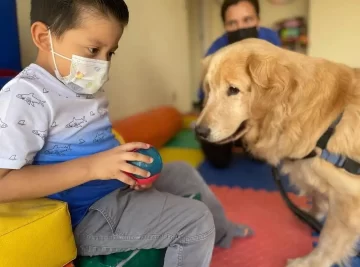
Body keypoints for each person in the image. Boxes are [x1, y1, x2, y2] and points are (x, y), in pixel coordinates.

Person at [0, 1, 253, 266]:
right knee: (195, 220)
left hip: (114, 191)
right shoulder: (24, 97)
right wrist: (93, 168)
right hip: (87, 216)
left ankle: (222, 230)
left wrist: (124, 166)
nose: (103, 64)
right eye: (93, 49)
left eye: (110, 53)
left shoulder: (80, 84)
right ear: (44, 37)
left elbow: (93, 146)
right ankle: (204, 232)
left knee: (183, 172)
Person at [197, 0, 281, 169]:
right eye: (232, 23)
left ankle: (244, 139)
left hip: (257, 103)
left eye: (247, 20)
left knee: (259, 158)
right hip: (217, 101)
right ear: (225, 26)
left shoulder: (271, 40)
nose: (241, 27)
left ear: (258, 20)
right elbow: (206, 96)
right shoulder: (215, 50)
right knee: (219, 162)